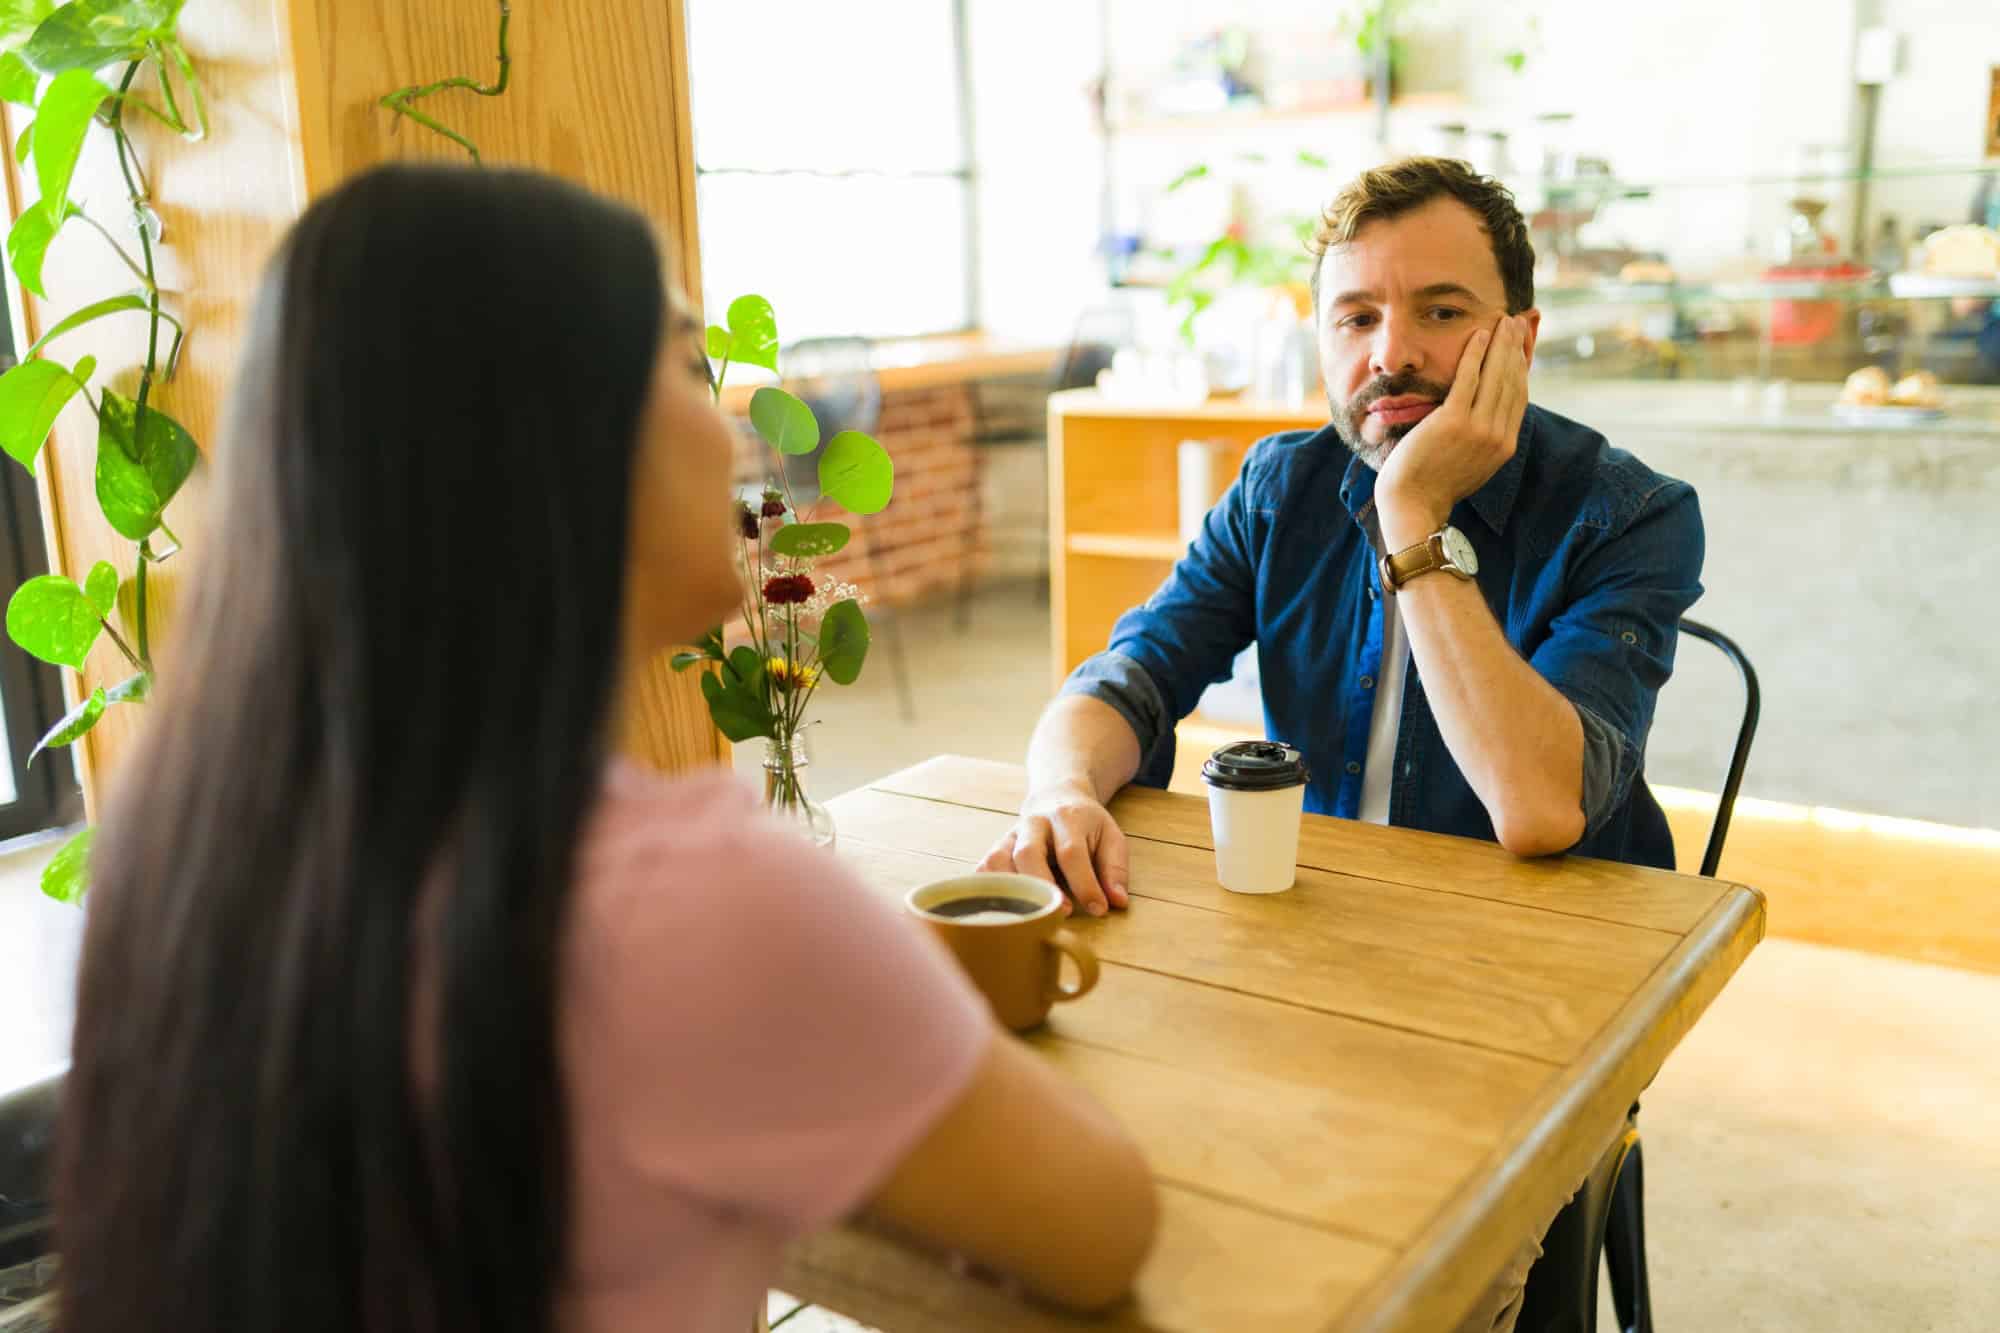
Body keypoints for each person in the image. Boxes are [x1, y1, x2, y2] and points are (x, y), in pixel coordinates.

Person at [55, 164, 1156, 1333]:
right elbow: (1099, 1224)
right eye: (685, 364)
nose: (732, 420)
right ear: (558, 443)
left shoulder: (180, 848)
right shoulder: (691, 902)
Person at [982, 156, 1706, 1331]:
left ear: (1517, 336)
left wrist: (1411, 515)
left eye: (1440, 312)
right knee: (1113, 1196)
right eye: (1355, 316)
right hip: (1309, 955)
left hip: (1531, 994)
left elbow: (1536, 805)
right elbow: (1127, 673)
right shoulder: (1280, 485)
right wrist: (1060, 784)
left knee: (1399, 1288)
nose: (1390, 354)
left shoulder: (1624, 511)